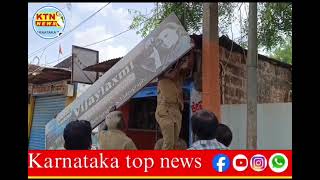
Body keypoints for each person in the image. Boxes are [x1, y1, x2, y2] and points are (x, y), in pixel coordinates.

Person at [155, 49, 194, 150]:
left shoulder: (179, 73)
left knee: (174, 143)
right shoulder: (162, 71)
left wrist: (190, 50)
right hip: (165, 109)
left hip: (176, 109)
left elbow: (188, 66)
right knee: (169, 143)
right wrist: (179, 61)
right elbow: (171, 75)